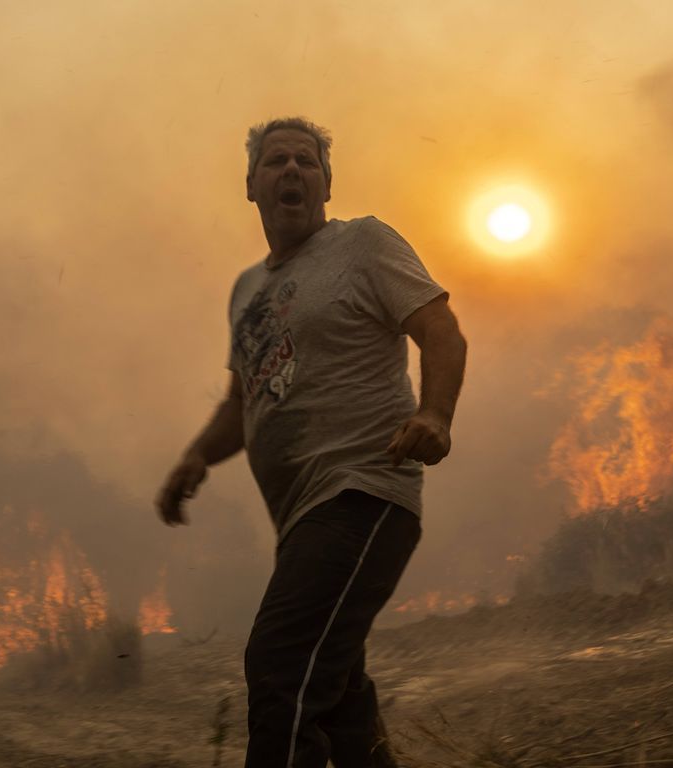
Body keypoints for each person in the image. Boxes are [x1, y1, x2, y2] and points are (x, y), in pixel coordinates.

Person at [157, 117, 467, 767]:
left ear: (328, 182)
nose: (292, 169)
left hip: (363, 491)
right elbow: (244, 403)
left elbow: (441, 331)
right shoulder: (247, 290)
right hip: (302, 519)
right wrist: (195, 455)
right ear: (251, 185)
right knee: (341, 701)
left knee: (281, 667)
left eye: (307, 160)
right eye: (277, 161)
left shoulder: (364, 244)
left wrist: (436, 414)